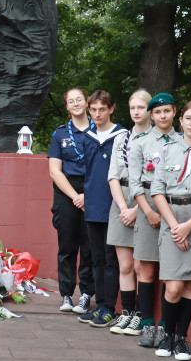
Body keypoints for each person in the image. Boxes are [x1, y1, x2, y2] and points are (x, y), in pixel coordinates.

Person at [150, 100, 191, 361]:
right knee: (174, 286)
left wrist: (190, 226)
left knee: (189, 286)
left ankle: (181, 339)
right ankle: (166, 332)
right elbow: (157, 190)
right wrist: (176, 226)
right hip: (172, 218)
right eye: (188, 118)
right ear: (181, 120)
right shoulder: (166, 150)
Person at [129, 92, 178, 347]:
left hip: (174, 206)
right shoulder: (139, 142)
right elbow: (134, 183)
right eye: (157, 112)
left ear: (174, 112)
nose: (162, 116)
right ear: (151, 115)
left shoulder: (183, 142)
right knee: (146, 269)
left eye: (167, 111)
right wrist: (147, 211)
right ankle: (147, 324)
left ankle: (166, 328)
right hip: (147, 204)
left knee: (171, 271)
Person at [78, 91, 128, 328]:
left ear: (111, 109)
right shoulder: (87, 137)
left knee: (111, 260)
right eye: (93, 110)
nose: (97, 114)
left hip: (114, 206)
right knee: (96, 258)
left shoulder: (122, 135)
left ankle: (110, 307)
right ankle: (99, 305)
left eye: (102, 109)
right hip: (93, 205)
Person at [47, 88, 96, 314]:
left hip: (94, 189)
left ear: (87, 103)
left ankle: (86, 295)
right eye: (70, 101)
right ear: (67, 106)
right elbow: (55, 171)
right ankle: (66, 294)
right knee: (67, 245)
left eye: (79, 99)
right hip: (66, 191)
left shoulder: (100, 131)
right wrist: (75, 196)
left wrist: (88, 193)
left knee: (90, 245)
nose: (75, 103)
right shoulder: (60, 134)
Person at [109, 90, 152, 336]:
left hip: (145, 203)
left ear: (149, 110)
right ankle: (127, 314)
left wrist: (137, 209)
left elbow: (157, 180)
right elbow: (113, 175)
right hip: (121, 201)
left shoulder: (158, 138)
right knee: (124, 265)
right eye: (133, 107)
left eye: (141, 107)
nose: (136, 112)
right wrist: (124, 208)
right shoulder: (121, 138)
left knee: (139, 266)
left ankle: (142, 317)